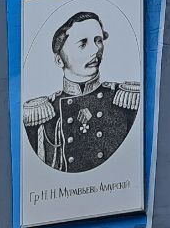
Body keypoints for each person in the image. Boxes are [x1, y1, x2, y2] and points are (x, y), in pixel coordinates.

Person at [22, 10, 141, 173]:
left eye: (98, 41)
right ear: (59, 59)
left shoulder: (126, 101)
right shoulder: (41, 114)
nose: (96, 50)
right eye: (83, 43)